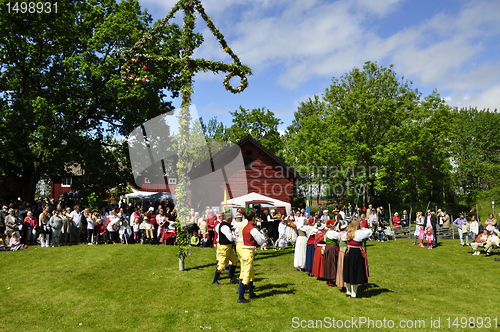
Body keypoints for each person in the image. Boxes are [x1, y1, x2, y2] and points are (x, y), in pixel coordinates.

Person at [237, 209, 266, 303]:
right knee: (247, 274)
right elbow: (260, 241)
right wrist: (263, 238)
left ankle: (251, 292)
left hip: (247, 249)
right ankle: (241, 297)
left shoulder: (246, 227)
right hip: (248, 251)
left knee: (251, 273)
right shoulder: (252, 228)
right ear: (253, 218)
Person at [342, 218, 372, 298]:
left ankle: (348, 291)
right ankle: (353, 293)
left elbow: (342, 238)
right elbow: (370, 232)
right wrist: (363, 228)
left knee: (348, 270)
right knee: (355, 271)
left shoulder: (348, 233)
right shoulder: (359, 233)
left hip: (348, 252)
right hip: (356, 253)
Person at [213, 214, 238, 285]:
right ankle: (215, 280)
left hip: (228, 246)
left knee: (234, 261)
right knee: (222, 264)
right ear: (228, 219)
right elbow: (230, 238)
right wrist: (234, 236)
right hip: (224, 247)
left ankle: (232, 278)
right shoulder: (224, 227)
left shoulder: (223, 225)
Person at [323, 220, 339, 287]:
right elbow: (339, 237)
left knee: (328, 263)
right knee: (332, 263)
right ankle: (331, 280)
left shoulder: (327, 232)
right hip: (332, 248)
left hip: (328, 248)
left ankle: (328, 279)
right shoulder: (333, 233)